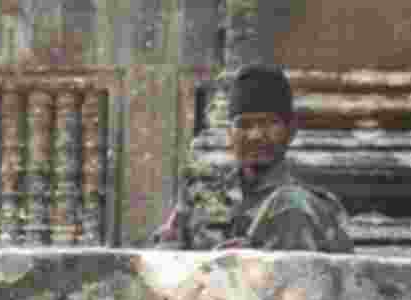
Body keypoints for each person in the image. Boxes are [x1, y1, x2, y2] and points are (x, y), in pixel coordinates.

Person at [151, 64, 354, 253]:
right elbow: (165, 260)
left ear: (291, 131)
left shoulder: (315, 207)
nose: (256, 135)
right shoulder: (201, 197)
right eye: (244, 125)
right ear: (230, 133)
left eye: (269, 123)